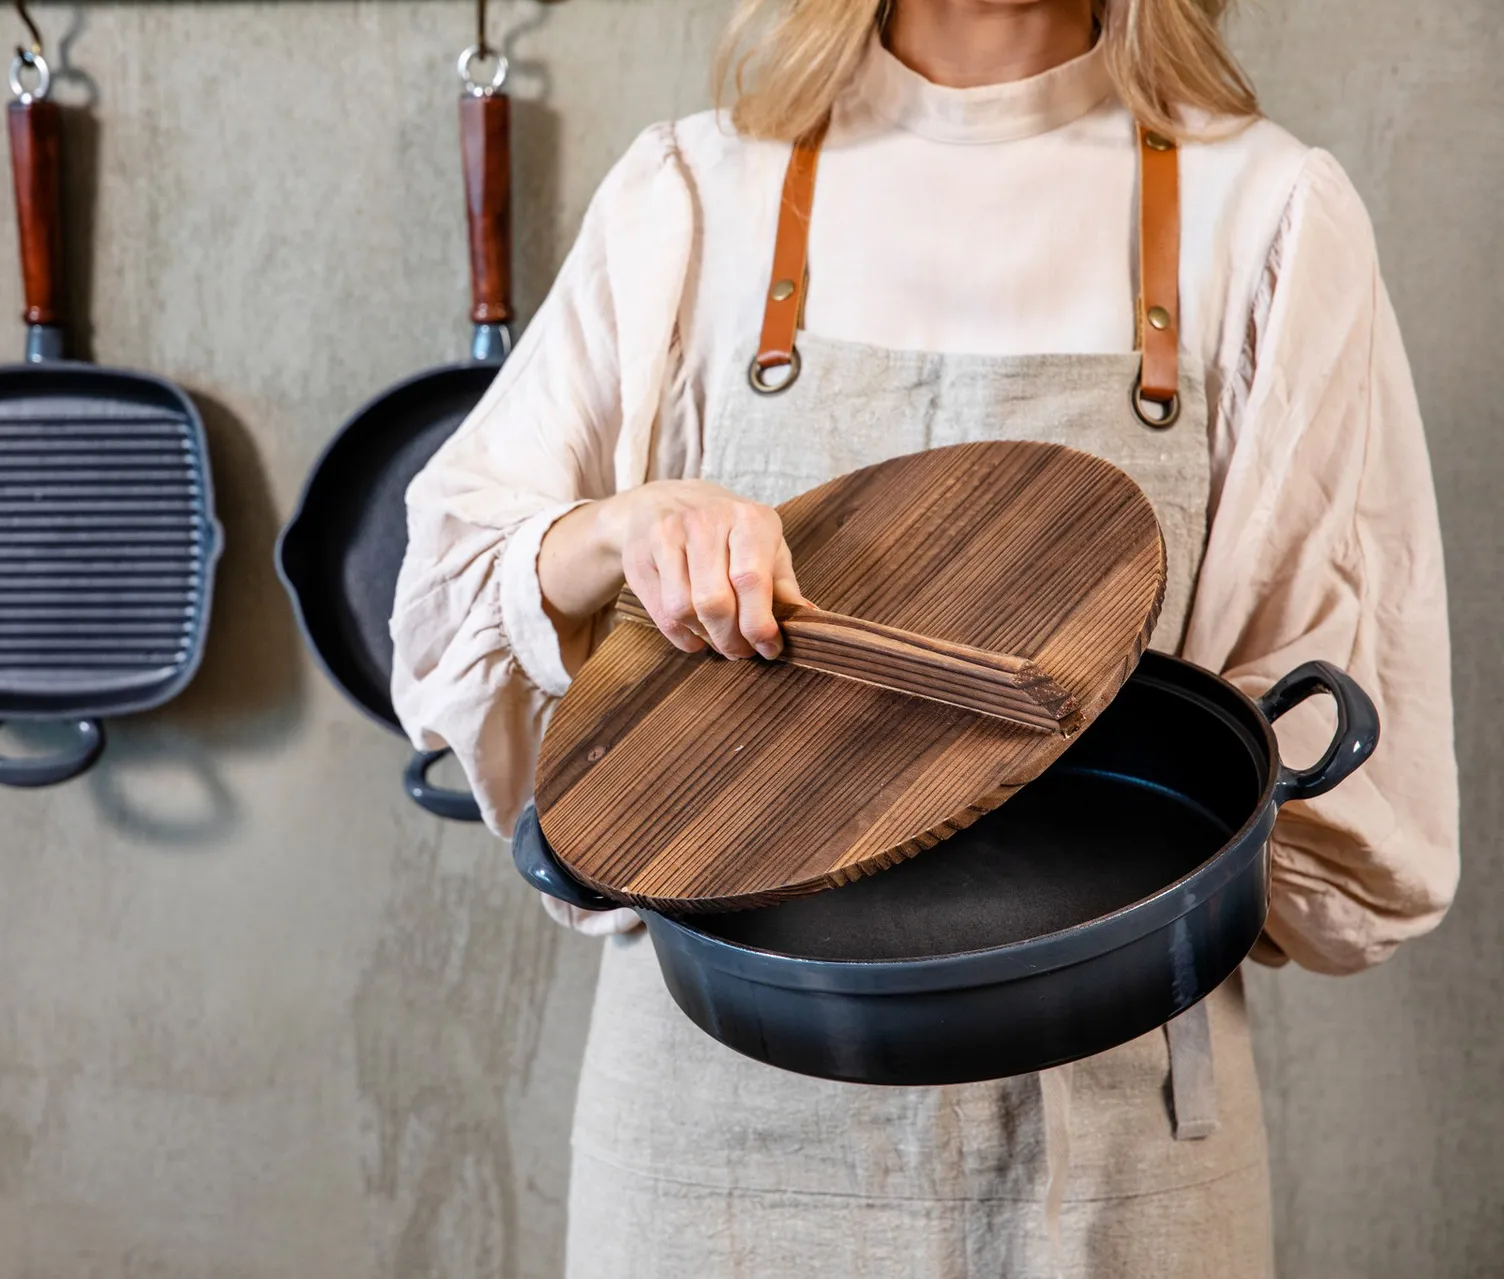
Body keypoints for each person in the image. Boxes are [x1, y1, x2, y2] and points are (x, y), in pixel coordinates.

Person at [390, 0, 1459, 1273]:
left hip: (1117, 1135)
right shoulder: (692, 195)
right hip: (712, 1126)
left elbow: (1348, 835)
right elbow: (450, 586)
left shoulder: (1270, 213)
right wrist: (612, 532)